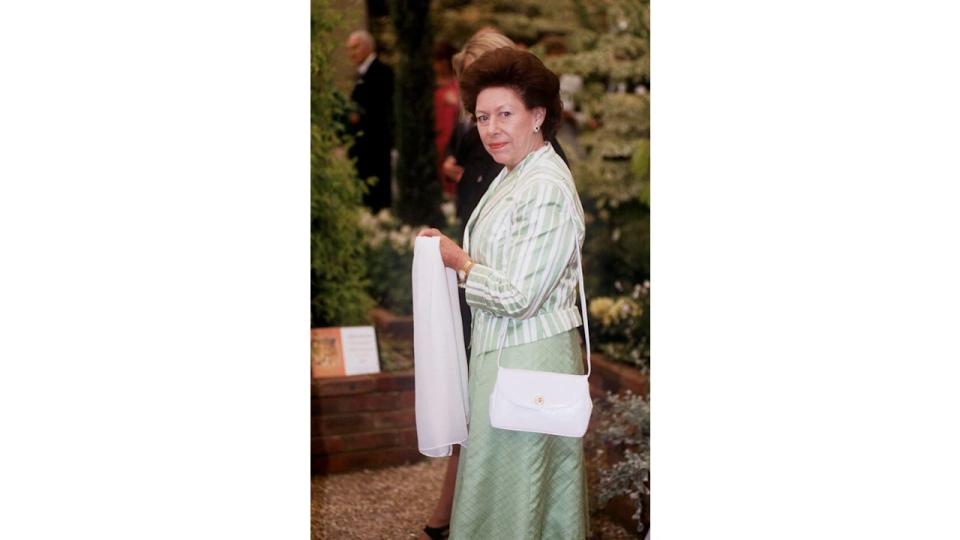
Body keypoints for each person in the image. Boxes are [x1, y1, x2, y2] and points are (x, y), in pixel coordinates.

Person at [419, 47, 588, 539]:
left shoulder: (546, 186)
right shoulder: (516, 174)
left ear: (538, 115)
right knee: (504, 492)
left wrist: (460, 262)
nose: (491, 129)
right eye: (482, 117)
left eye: (505, 114)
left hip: (530, 359)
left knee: (520, 496)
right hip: (504, 355)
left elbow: (519, 295)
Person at [345, 30, 394, 212]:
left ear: (368, 47)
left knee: (376, 199)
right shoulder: (361, 74)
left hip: (375, 147)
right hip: (363, 148)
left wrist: (358, 116)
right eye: (349, 49)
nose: (352, 53)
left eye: (355, 47)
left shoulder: (381, 71)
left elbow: (381, 109)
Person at [432, 41, 460, 198]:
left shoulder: (457, 85)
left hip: (451, 139)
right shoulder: (432, 86)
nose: (438, 66)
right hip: (436, 139)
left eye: (441, 61)